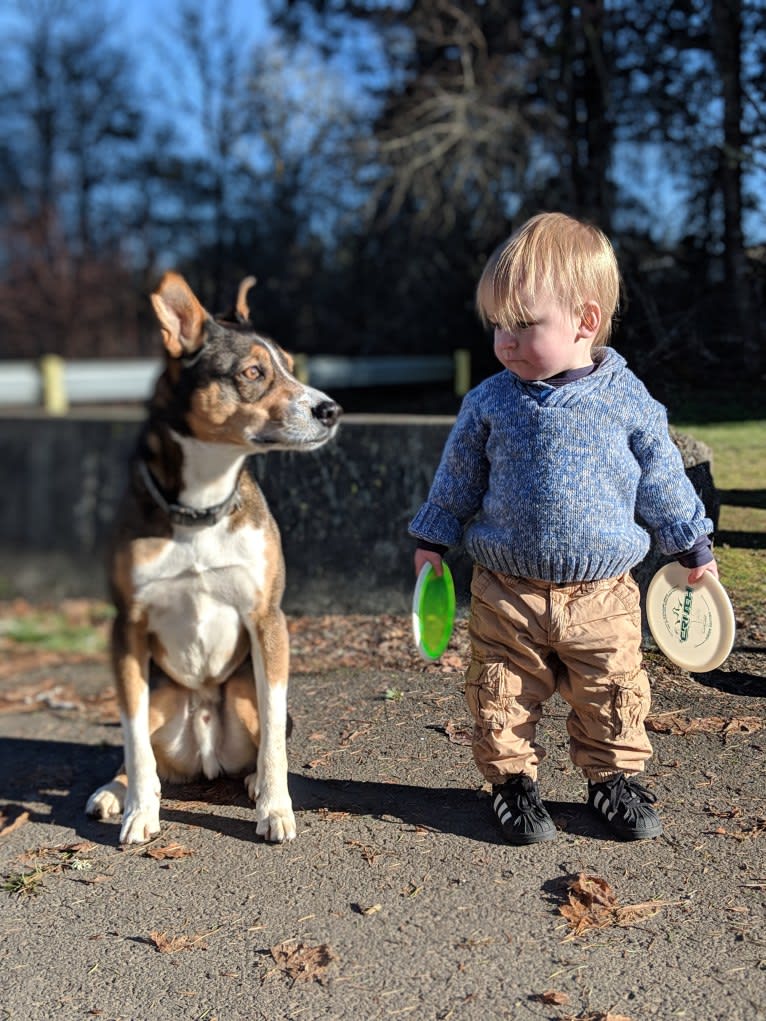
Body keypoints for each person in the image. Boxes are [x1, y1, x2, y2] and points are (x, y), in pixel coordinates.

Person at [409, 211, 717, 845]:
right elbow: (457, 479)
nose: (506, 341)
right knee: (501, 691)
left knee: (611, 689)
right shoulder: (491, 401)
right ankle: (513, 785)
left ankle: (612, 781)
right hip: (505, 590)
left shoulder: (629, 400)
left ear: (585, 321)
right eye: (498, 324)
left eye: (524, 324)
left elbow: (662, 479)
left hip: (603, 592)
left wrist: (691, 542)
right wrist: (431, 540)